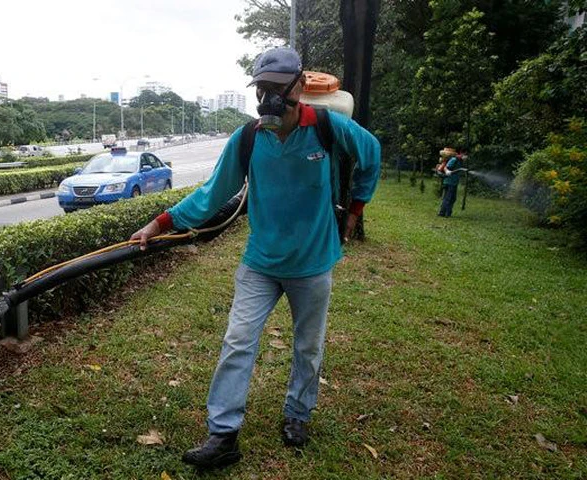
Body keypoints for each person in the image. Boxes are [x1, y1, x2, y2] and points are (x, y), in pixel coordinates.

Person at [130, 46, 381, 469]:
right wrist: (159, 223)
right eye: (261, 90)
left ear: (299, 87)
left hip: (313, 262)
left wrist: (355, 210)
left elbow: (371, 156)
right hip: (260, 263)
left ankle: (297, 416)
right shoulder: (247, 138)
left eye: (276, 90)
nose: (268, 100)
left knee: (308, 347)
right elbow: (213, 193)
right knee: (238, 341)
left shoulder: (327, 127)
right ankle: (223, 434)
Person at [438, 147, 466, 217]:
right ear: (461, 153)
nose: (466, 156)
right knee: (448, 198)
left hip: (454, 182)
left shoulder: (460, 161)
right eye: (465, 154)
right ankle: (442, 213)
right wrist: (447, 171)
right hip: (449, 182)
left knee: (452, 198)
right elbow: (446, 168)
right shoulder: (454, 159)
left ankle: (448, 213)